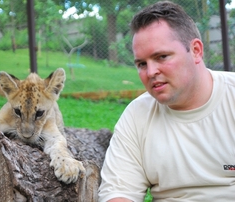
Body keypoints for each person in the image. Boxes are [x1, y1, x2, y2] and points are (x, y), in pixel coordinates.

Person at [98, 1, 235, 202]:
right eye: (142, 64)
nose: (151, 72)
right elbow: (118, 192)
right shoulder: (138, 115)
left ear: (196, 50)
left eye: (161, 57)